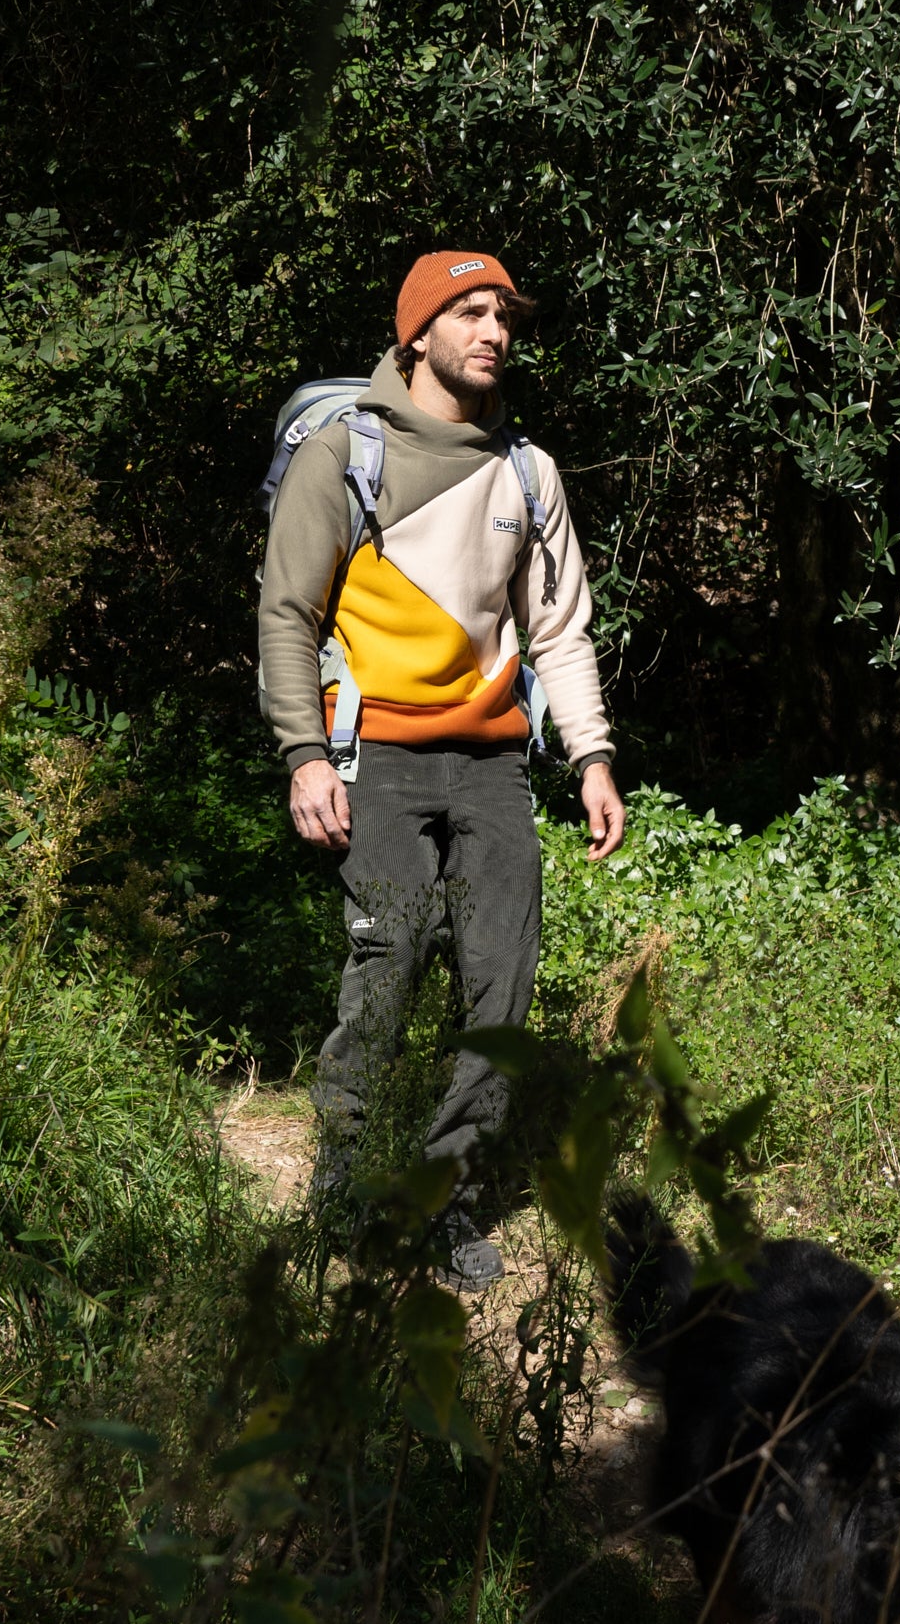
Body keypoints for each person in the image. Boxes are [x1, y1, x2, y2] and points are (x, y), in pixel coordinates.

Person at [257, 250, 626, 1282]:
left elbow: (558, 632)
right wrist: (303, 757)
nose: (493, 331)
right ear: (418, 332)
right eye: (469, 312)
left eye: (503, 314)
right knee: (387, 968)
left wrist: (591, 758)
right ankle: (338, 1189)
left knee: (500, 984)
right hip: (372, 756)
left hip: (492, 764)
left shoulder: (528, 472)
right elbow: (286, 615)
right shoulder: (344, 456)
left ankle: (447, 1198)